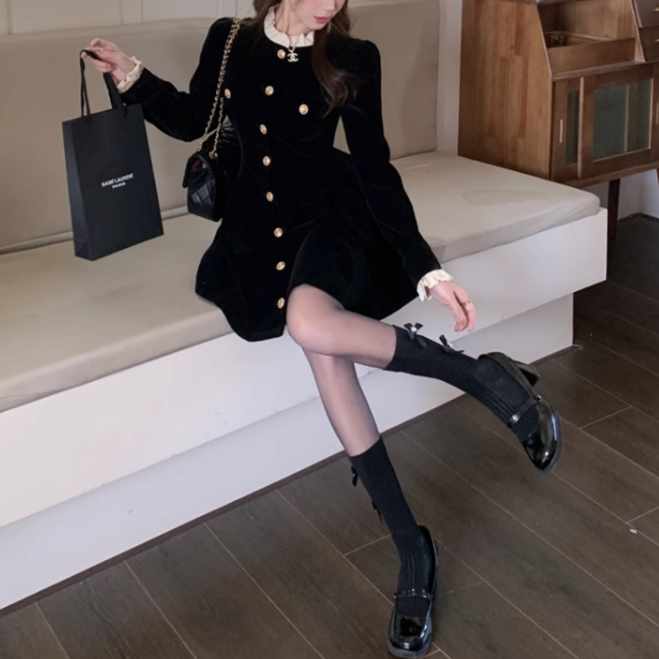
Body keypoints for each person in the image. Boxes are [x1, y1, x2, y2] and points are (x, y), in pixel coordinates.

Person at [83, 1, 562, 656]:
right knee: (323, 348)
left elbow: (375, 170)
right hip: (259, 234)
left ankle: (476, 398)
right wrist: (131, 76)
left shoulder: (352, 58)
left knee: (310, 321)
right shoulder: (231, 41)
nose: (330, 4)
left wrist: (426, 270)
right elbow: (194, 117)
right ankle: (418, 526)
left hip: (332, 220)